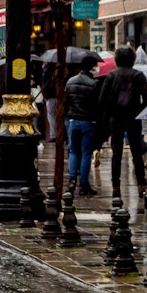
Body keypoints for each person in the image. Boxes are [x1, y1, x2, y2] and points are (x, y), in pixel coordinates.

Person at [97, 44, 147, 201]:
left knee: (117, 153)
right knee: (136, 153)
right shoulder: (138, 75)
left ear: (117, 59)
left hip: (116, 118)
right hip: (133, 118)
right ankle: (141, 184)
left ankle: (116, 186)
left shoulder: (111, 76)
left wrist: (107, 115)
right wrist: (139, 111)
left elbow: (102, 100)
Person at [63, 53, 100, 196]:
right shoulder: (94, 84)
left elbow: (66, 102)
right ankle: (84, 184)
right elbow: (97, 105)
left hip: (73, 121)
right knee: (86, 153)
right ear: (91, 67)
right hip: (88, 121)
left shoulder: (70, 82)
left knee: (73, 151)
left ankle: (72, 181)